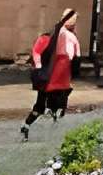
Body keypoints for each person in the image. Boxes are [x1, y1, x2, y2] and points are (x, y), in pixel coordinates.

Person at [21, 7, 81, 137]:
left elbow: (73, 56)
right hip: (53, 76)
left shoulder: (62, 35)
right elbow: (38, 51)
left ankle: (31, 127)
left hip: (56, 77)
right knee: (47, 106)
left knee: (49, 106)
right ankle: (31, 127)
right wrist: (38, 66)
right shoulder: (56, 36)